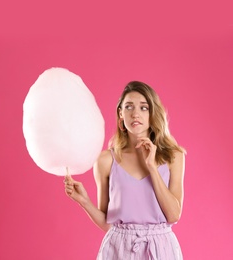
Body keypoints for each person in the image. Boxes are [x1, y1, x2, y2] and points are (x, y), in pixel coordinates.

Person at [64, 81, 186, 259]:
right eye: (129, 107)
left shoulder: (174, 157)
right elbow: (108, 224)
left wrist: (152, 167)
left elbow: (174, 215)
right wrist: (83, 201)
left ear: (153, 113)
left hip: (161, 250)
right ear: (120, 113)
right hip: (118, 250)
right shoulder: (105, 160)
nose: (135, 113)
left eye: (144, 108)